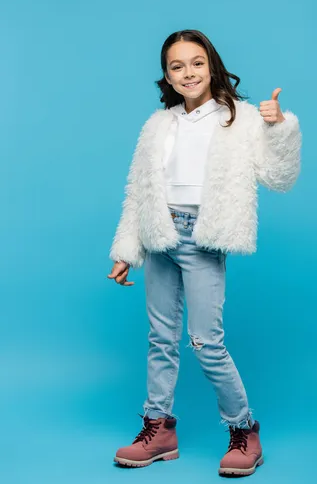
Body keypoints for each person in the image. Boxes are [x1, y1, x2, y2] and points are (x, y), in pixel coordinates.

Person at [107, 29, 302, 477]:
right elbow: (139, 192)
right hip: (160, 237)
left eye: (196, 62)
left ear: (212, 65)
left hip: (203, 238)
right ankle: (159, 430)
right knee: (160, 339)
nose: (188, 72)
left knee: (205, 342)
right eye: (177, 66)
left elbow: (279, 176)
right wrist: (127, 249)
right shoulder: (160, 124)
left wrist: (278, 127)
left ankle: (244, 430)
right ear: (168, 77)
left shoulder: (242, 117)